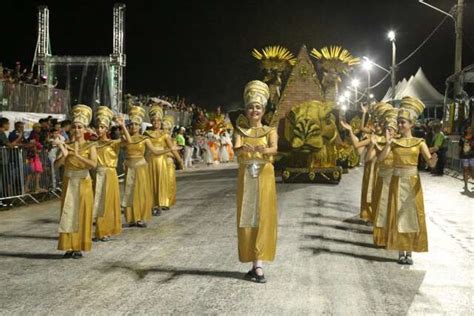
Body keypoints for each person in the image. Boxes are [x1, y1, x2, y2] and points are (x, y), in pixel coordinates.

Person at [378, 97, 437, 265]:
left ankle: (409, 253)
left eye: (403, 122)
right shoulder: (394, 142)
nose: (400, 125)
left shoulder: (420, 143)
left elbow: (430, 163)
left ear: (411, 124)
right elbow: (381, 159)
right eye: (399, 122)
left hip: (412, 183)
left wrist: (433, 161)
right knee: (397, 216)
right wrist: (388, 145)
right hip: (397, 182)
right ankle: (399, 252)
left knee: (410, 217)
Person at [234, 80, 278, 283]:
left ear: (264, 109)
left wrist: (262, 150)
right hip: (247, 177)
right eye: (251, 107)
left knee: (263, 216)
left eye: (258, 107)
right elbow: (236, 149)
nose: (254, 110)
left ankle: (259, 265)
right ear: (246, 109)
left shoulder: (270, 131)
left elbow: (274, 149)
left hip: (264, 175)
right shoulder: (240, 131)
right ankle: (253, 262)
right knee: (247, 217)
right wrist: (243, 149)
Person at [54, 104, 97, 259]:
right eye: (74, 127)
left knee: (82, 214)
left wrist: (78, 155)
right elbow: (56, 165)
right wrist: (64, 153)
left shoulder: (91, 145)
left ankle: (78, 246)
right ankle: (68, 246)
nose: (77, 130)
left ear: (85, 129)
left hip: (83, 182)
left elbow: (93, 164)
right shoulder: (66, 145)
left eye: (80, 127)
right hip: (68, 181)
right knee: (68, 213)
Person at [122, 105, 172, 227]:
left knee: (141, 192)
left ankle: (141, 217)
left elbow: (155, 151)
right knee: (130, 192)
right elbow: (127, 142)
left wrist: (170, 150)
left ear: (140, 126)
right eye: (131, 124)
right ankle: (131, 218)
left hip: (142, 167)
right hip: (130, 168)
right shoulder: (124, 138)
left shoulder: (144, 138)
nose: (133, 127)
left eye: (136, 124)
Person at [340, 103, 388, 222]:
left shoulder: (388, 139)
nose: (375, 125)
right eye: (375, 122)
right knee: (369, 191)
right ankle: (370, 214)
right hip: (370, 167)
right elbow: (357, 144)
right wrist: (351, 130)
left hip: (381, 169)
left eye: (379, 123)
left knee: (380, 192)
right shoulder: (371, 137)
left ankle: (380, 215)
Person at [365, 107, 398, 246]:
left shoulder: (401, 144)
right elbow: (368, 158)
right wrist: (373, 145)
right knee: (382, 209)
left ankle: (394, 238)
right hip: (383, 180)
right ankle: (381, 238)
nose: (388, 132)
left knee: (395, 211)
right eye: (387, 129)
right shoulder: (379, 141)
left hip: (397, 181)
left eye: (391, 129)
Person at [92, 106, 125, 241]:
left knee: (107, 203)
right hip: (98, 174)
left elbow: (128, 141)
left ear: (106, 129)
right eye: (97, 127)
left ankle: (106, 230)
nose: (99, 130)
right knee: (98, 202)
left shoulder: (113, 143)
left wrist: (123, 126)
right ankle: (100, 231)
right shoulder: (92, 144)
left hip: (110, 174)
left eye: (102, 127)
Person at [144, 105, 183, 215]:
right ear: (151, 121)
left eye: (158, 121)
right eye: (154, 121)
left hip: (161, 161)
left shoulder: (165, 135)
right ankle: (150, 204)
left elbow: (173, 149)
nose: (156, 123)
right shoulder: (146, 134)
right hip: (149, 160)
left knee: (160, 181)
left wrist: (179, 160)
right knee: (150, 182)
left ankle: (159, 204)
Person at [459, 126, 474, 191]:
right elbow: (460, 146)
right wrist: (459, 154)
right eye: (468, 129)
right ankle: (465, 184)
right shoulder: (462, 138)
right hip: (464, 156)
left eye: (471, 129)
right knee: (465, 170)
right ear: (466, 130)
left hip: (472, 156)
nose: (469, 130)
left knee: (473, 170)